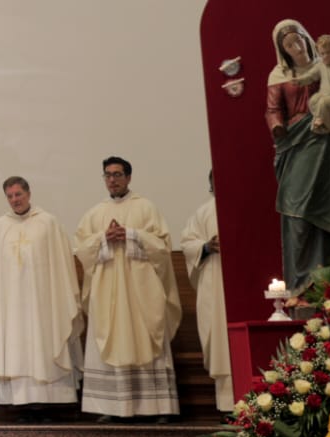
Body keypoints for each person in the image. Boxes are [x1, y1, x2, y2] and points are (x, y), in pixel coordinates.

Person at [73, 157, 182, 422]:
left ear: (129, 177)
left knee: (146, 335)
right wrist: (103, 239)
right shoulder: (95, 213)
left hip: (140, 291)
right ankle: (112, 408)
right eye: (108, 175)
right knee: (110, 335)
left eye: (118, 174)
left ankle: (157, 408)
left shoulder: (146, 208)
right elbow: (81, 249)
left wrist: (132, 235)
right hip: (108, 290)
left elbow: (162, 246)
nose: (112, 180)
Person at [267, 18, 330, 292]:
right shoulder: (278, 75)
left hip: (328, 142)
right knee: (296, 213)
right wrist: (277, 128)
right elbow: (273, 109)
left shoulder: (326, 66)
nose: (295, 46)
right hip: (297, 144)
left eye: (298, 39)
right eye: (288, 45)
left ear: (306, 38)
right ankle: (301, 287)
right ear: (283, 50)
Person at [0, 176, 82, 417]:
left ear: (28, 193)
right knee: (17, 343)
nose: (15, 200)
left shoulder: (48, 223)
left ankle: (52, 401)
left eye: (18, 194)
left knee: (45, 340)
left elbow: (62, 266)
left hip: (44, 302)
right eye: (10, 196)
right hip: (12, 304)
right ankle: (20, 402)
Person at [180, 172, 232, 411]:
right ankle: (226, 407)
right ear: (210, 184)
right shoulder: (203, 212)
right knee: (217, 339)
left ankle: (250, 405)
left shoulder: (239, 206)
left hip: (237, 283)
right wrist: (206, 246)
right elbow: (188, 243)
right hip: (214, 282)